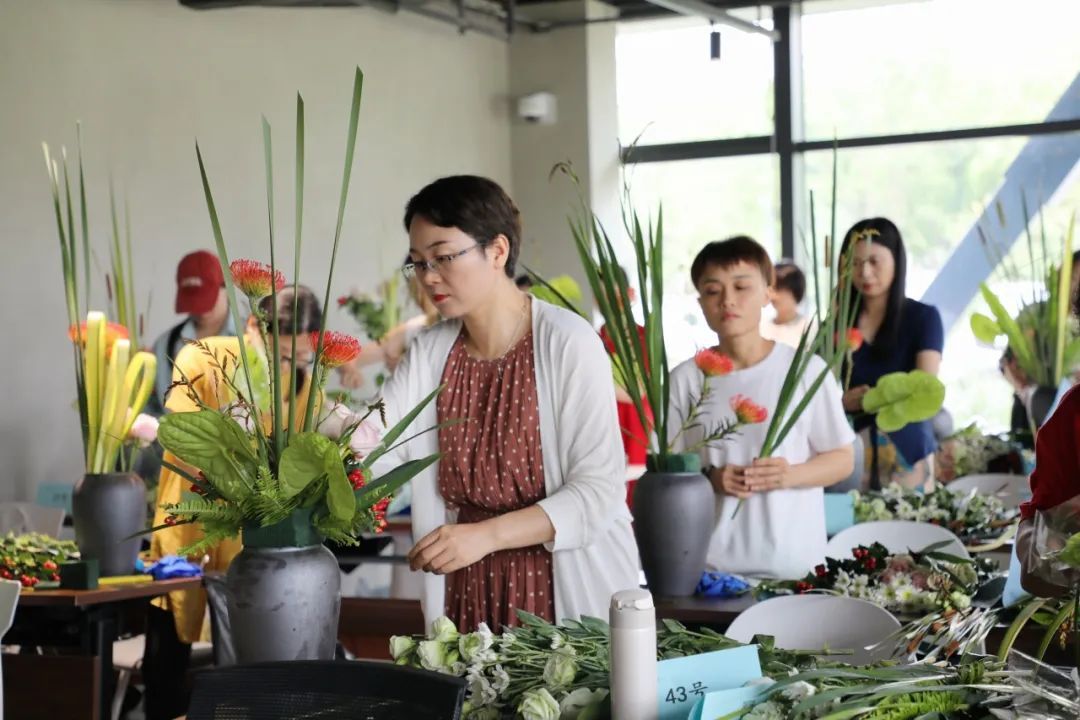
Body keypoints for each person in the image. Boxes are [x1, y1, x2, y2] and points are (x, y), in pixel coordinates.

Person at [374, 175, 639, 632]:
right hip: (465, 581)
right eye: (418, 262)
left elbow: (598, 491)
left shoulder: (567, 342)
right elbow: (379, 441)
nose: (429, 276)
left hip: (556, 584)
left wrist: (487, 536)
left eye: (443, 257)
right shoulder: (432, 349)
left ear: (497, 251)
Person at [142, 286, 325, 720]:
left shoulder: (306, 388)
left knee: (247, 674)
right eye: (278, 356)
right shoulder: (203, 358)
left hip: (255, 545)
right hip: (189, 528)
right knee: (168, 659)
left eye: (297, 358)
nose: (286, 368)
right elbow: (184, 436)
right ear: (251, 328)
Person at [668, 236, 854, 579]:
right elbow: (668, 472)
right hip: (710, 571)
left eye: (741, 287)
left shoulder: (805, 371)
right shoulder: (685, 379)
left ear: (769, 293)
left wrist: (790, 475)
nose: (727, 301)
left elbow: (842, 458)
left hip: (795, 570)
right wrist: (712, 478)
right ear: (700, 301)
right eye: (713, 291)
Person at [840, 218, 944, 490]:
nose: (864, 273)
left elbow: (923, 388)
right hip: (848, 458)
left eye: (874, 261)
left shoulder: (923, 318)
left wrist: (868, 400)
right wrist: (841, 401)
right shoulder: (836, 326)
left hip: (908, 456)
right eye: (855, 262)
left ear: (896, 260)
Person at [145, 250, 235, 418]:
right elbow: (152, 411)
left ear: (226, 288)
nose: (201, 311)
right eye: (192, 302)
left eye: (206, 300)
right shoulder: (165, 345)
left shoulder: (253, 338)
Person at [761, 259, 810, 348]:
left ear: (794, 291)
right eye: (771, 289)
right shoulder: (763, 328)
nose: (773, 295)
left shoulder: (809, 329)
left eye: (779, 289)